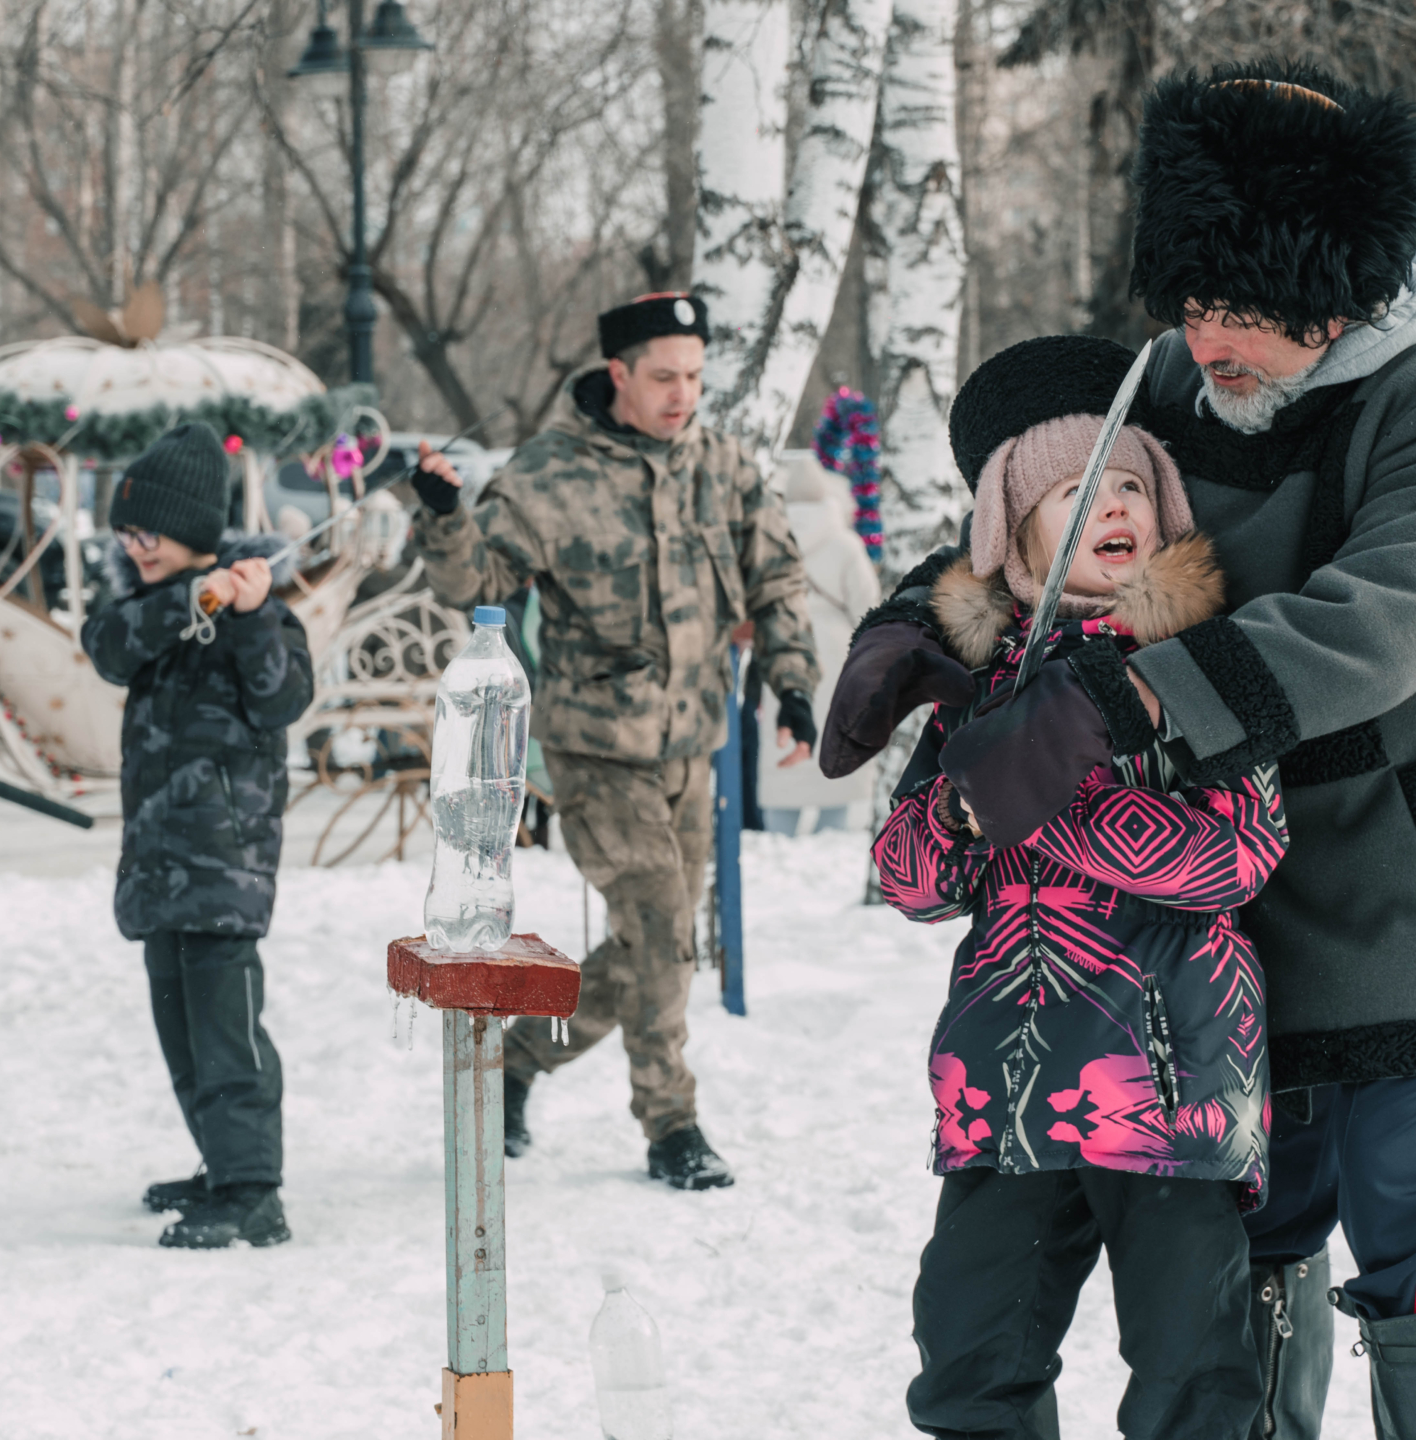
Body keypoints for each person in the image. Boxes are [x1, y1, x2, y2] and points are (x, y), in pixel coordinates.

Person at [831, 67, 1416, 1438]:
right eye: (1189, 305)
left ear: (1332, 289)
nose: (1203, 342)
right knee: (1267, 1213)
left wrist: (1123, 711)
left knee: (1415, 1219)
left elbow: (1379, 624)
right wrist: (927, 620)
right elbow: (1062, 520)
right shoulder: (1181, 377)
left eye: (1238, 314)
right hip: (1244, 890)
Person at [867, 340, 1285, 1440]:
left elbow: (1230, 857)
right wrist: (964, 802)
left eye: (1131, 484)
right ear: (1015, 534)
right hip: (1003, 1099)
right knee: (967, 1364)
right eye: (1072, 490)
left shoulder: (1200, 662)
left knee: (1193, 1382)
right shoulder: (978, 685)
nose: (1114, 507)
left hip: (1170, 1091)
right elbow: (909, 881)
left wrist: (1055, 788)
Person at [416, 293, 823, 1191]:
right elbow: (477, 579)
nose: (684, 395)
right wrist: (445, 515)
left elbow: (778, 580)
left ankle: (518, 1060)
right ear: (619, 377)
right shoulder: (551, 473)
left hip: (691, 745)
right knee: (659, 921)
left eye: (696, 377)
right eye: (665, 377)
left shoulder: (723, 468)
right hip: (596, 750)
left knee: (657, 945)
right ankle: (671, 1123)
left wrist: (793, 686)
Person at [83, 422, 314, 1248]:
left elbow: (282, 698)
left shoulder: (265, 617)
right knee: (178, 1030)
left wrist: (246, 613)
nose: (137, 547)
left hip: (225, 867)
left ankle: (254, 1189)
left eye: (152, 534)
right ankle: (220, 1163)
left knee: (227, 1034)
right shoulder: (145, 614)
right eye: (127, 533)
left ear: (193, 531)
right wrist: (191, 598)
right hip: (158, 868)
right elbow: (108, 647)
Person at [756, 454, 881, 832]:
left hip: (785, 649)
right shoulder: (845, 545)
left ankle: (778, 830)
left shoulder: (769, 543)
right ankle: (834, 827)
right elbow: (869, 607)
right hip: (838, 655)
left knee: (786, 740)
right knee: (834, 741)